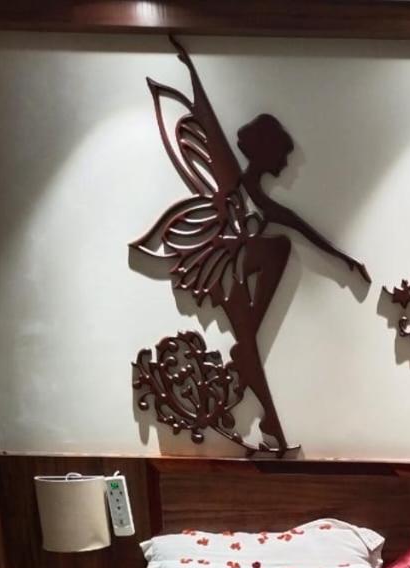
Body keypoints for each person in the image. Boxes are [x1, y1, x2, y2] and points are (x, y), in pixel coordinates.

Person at [132, 37, 369, 454]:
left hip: (237, 269)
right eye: (284, 156)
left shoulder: (258, 198)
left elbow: (298, 225)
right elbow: (205, 119)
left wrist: (345, 261)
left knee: (273, 265)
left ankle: (264, 410)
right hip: (219, 267)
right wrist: (191, 71)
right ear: (267, 153)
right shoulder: (233, 184)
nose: (288, 165)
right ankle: (268, 420)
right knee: (274, 255)